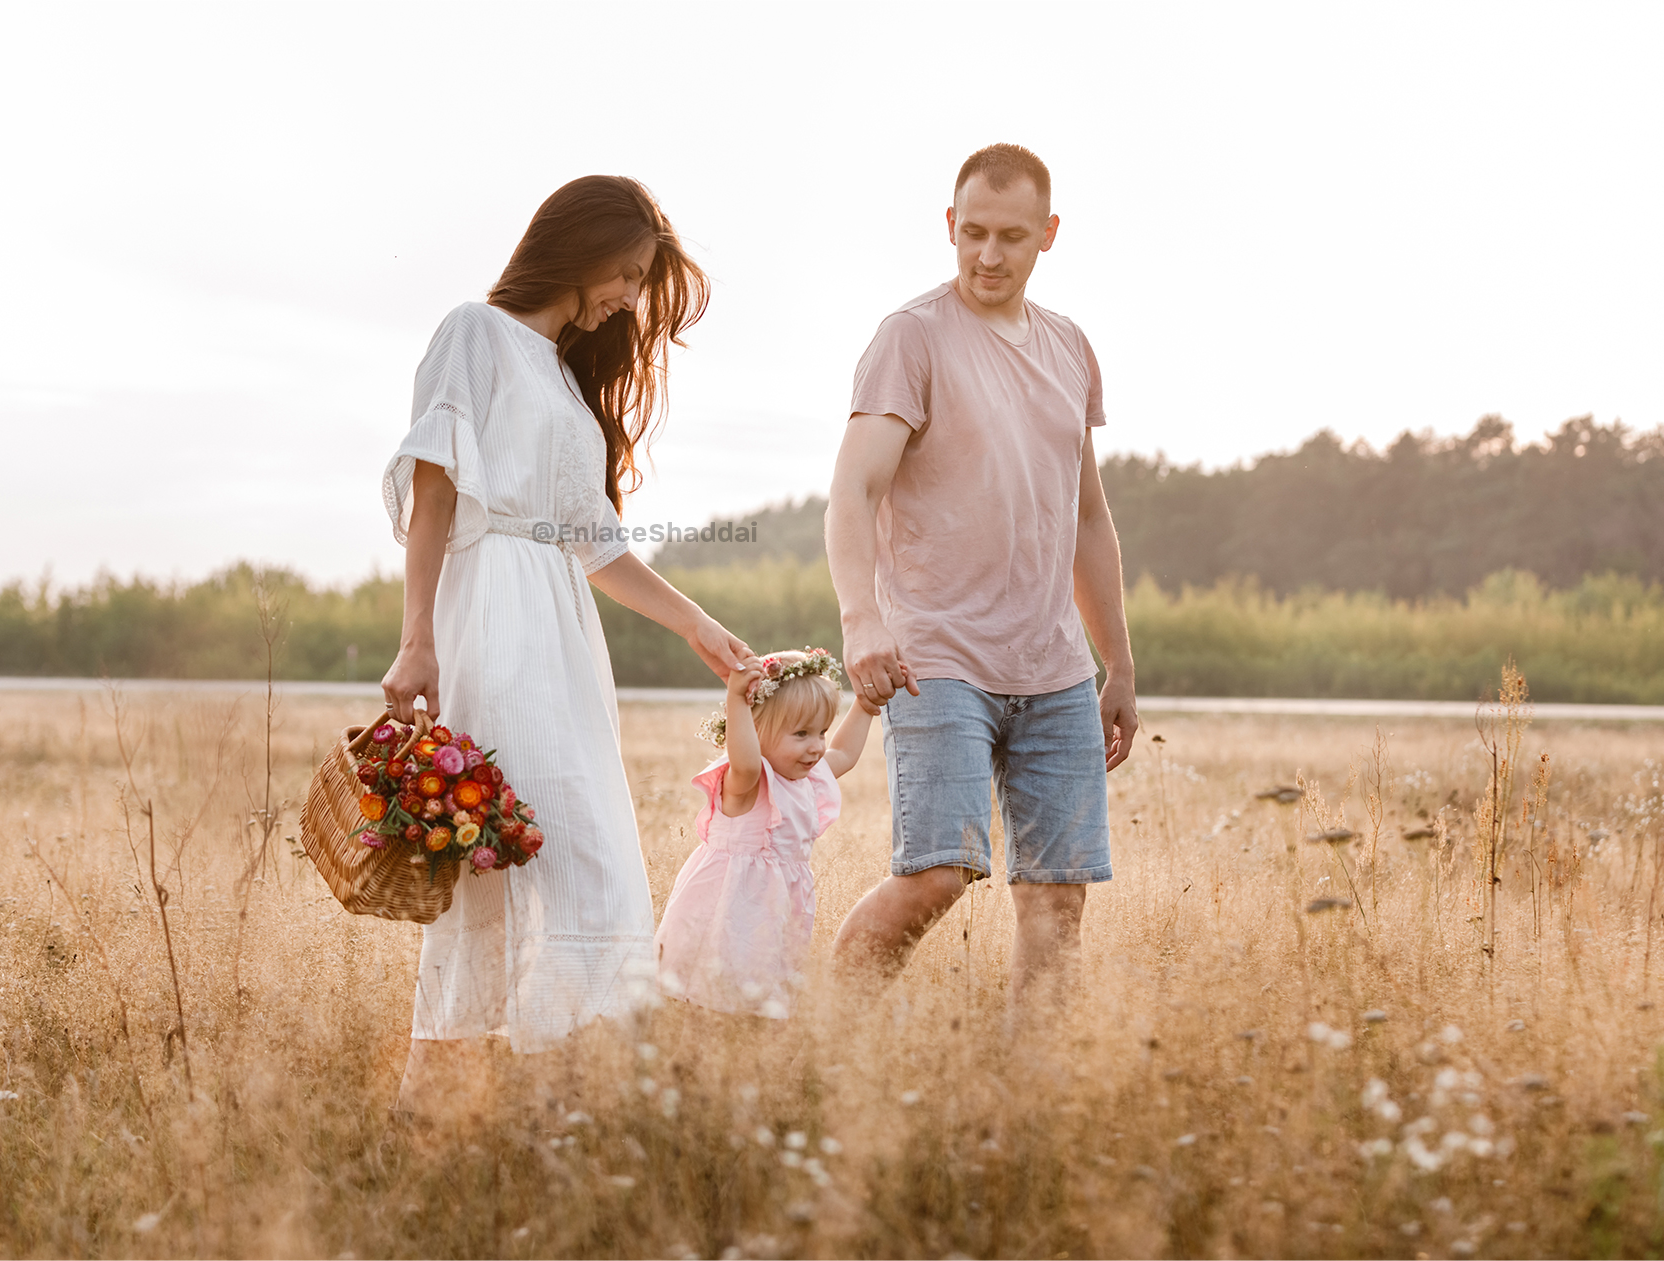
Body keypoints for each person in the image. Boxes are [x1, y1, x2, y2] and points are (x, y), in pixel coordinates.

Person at [379, 176, 754, 1096]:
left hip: (560, 632)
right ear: (578, 247)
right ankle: (493, 1108)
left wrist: (697, 623)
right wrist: (416, 638)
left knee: (566, 858)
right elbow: (432, 498)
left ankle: (530, 1109)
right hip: (492, 616)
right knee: (532, 855)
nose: (631, 297)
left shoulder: (559, 373)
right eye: (626, 273)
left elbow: (594, 546)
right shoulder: (476, 332)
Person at [825, 143, 1139, 1010]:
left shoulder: (1071, 347)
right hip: (938, 656)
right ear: (949, 226)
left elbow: (1086, 516)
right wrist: (862, 619)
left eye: (1010, 236)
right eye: (972, 234)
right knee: (936, 873)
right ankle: (825, 1050)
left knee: (1056, 899)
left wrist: (1117, 662)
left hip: (1056, 670)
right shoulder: (912, 338)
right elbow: (852, 489)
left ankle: (1021, 1102)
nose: (988, 256)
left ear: (1049, 234)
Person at [654, 649, 873, 1018]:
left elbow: (844, 753)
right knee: (713, 993)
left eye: (820, 731)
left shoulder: (808, 776)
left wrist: (866, 706)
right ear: (755, 732)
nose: (817, 745)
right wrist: (737, 700)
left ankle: (750, 1048)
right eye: (801, 733)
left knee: (764, 997)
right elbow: (744, 758)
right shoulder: (747, 781)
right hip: (729, 906)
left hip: (775, 910)